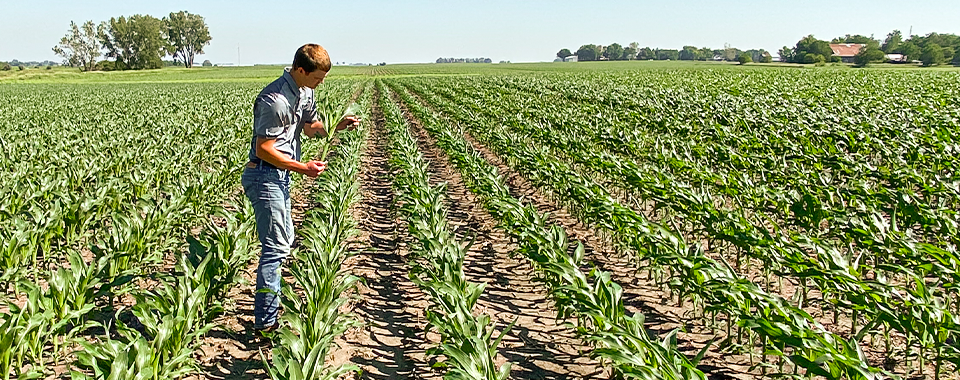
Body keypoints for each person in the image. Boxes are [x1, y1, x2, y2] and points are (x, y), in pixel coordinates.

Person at [241, 43, 360, 335]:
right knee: (276, 247)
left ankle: (270, 312)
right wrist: (302, 167)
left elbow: (310, 127)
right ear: (300, 70)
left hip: (279, 176)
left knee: (283, 241)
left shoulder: (305, 92)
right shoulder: (275, 100)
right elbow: (265, 149)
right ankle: (266, 324)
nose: (321, 82)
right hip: (265, 175)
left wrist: (336, 126)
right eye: (317, 77)